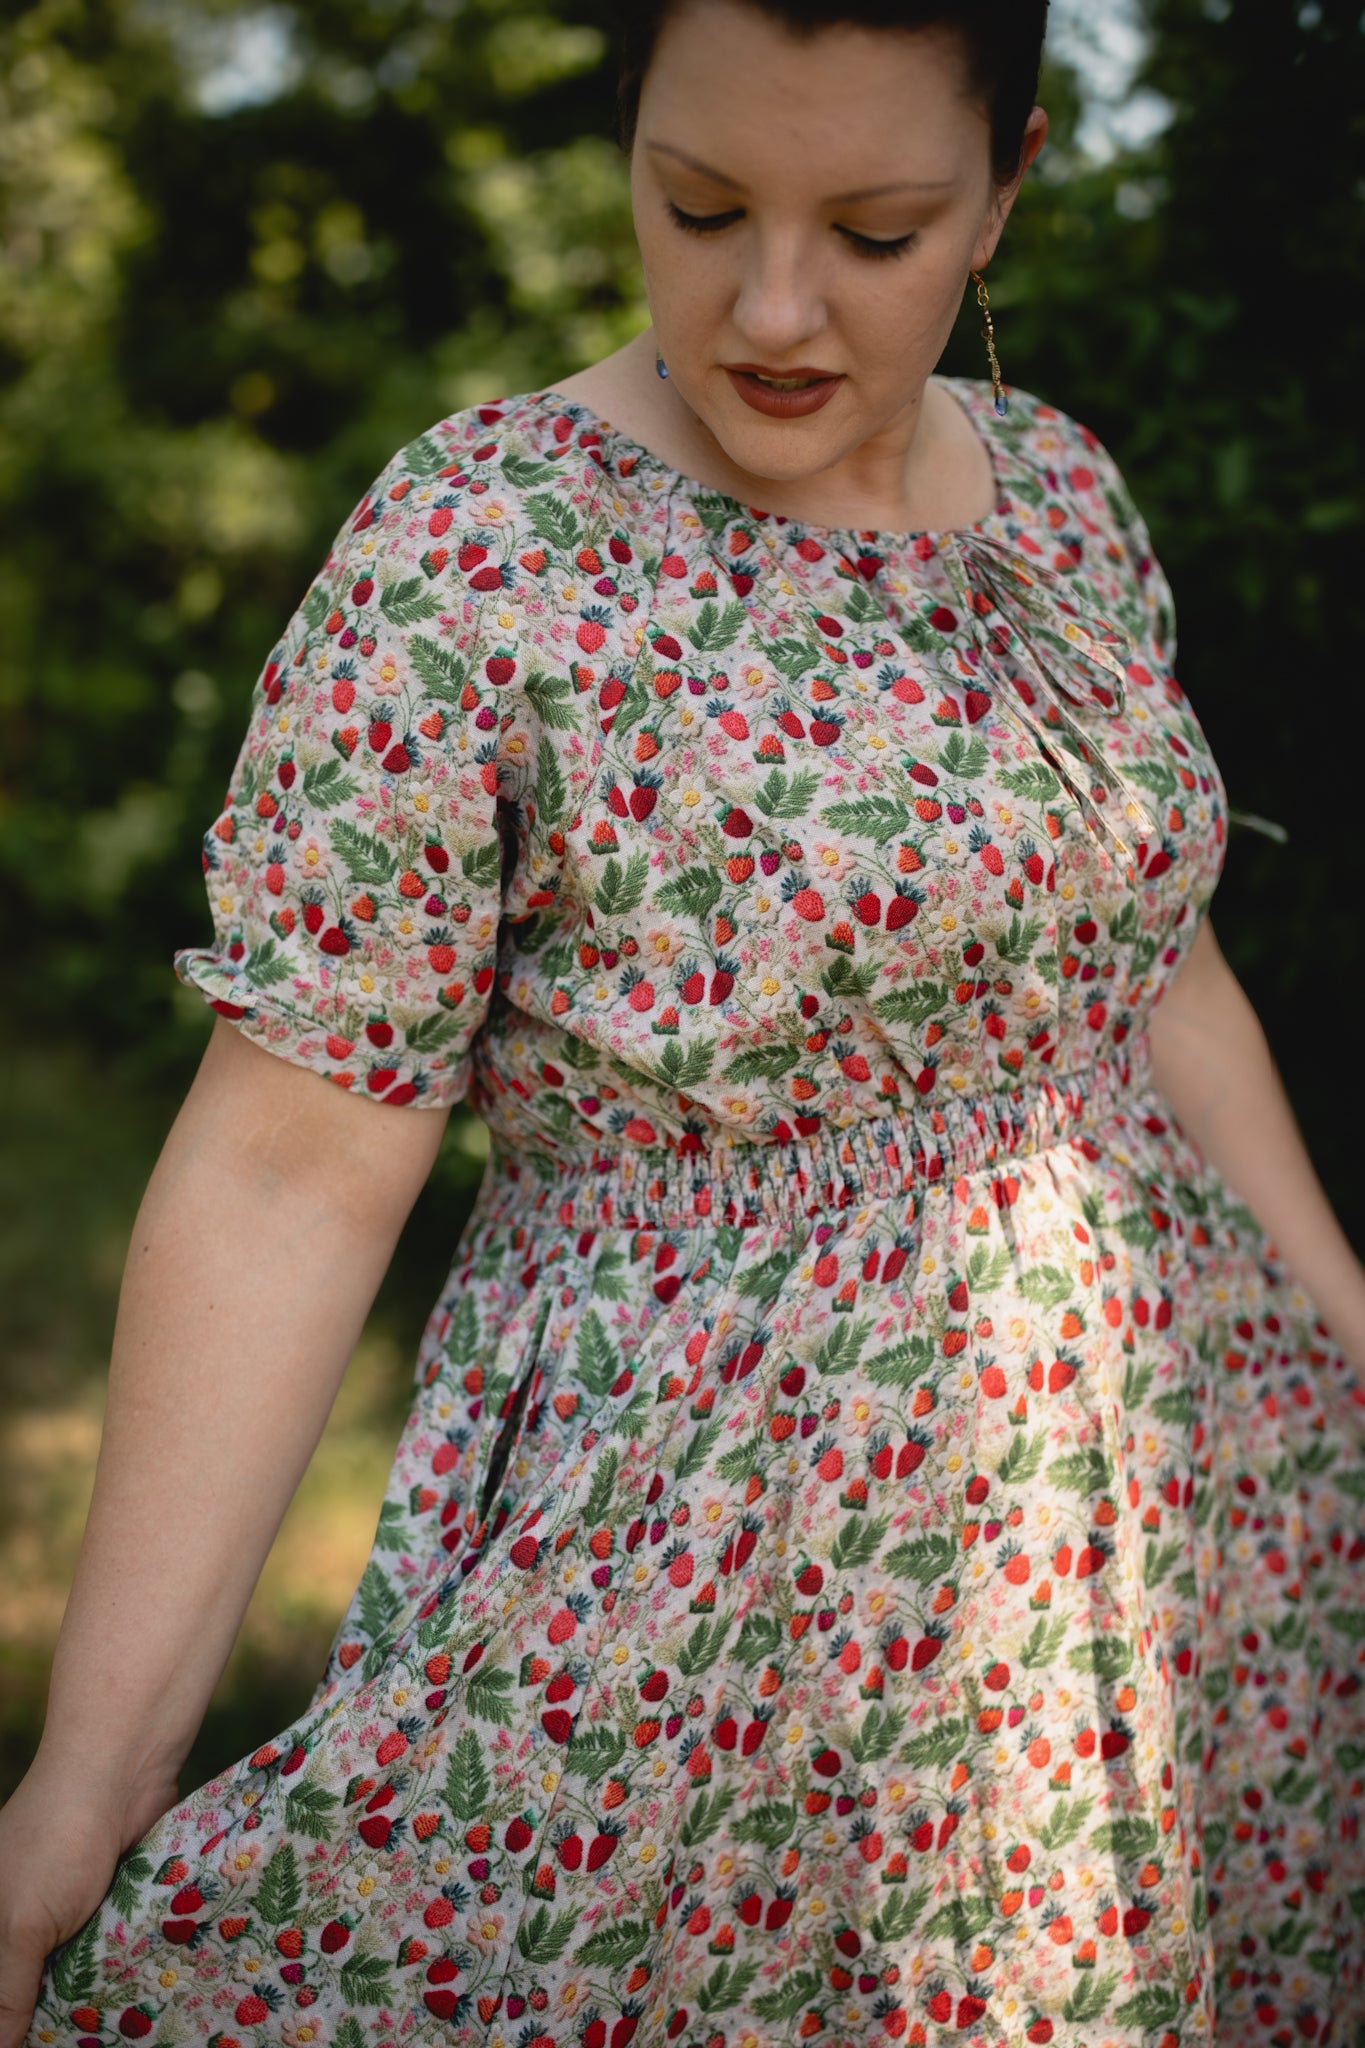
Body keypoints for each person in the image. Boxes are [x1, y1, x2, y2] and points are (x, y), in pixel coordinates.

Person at [4, 0, 1364, 2040]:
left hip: (1161, 1514)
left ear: (1003, 187)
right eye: (699, 204)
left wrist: (1346, 1326)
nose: (774, 304)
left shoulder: (1060, 495)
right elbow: (295, 1162)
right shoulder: (477, 555)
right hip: (706, 1609)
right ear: (626, 140)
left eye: (880, 227)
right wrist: (85, 1782)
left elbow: (1142, 957)